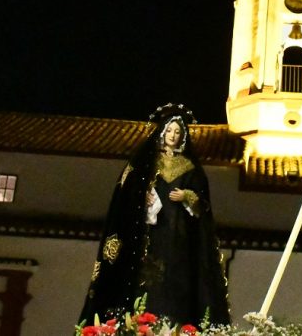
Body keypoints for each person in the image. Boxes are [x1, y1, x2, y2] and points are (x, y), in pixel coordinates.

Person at [79, 103, 231, 326]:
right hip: (147, 238)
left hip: (179, 239)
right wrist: (142, 198)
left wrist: (188, 196)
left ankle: (176, 323)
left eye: (178, 132)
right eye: (169, 131)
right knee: (144, 281)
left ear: (183, 137)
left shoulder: (191, 168)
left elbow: (203, 207)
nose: (173, 135)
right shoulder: (145, 164)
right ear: (161, 132)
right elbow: (125, 194)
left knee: (175, 281)